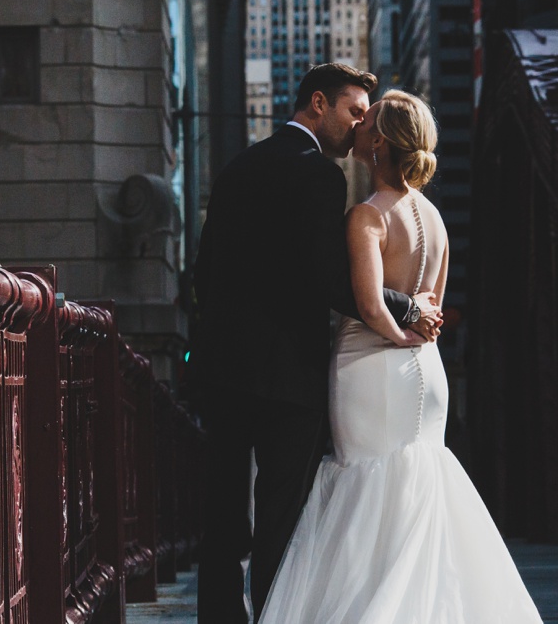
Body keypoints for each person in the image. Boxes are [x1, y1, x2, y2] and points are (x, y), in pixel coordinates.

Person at [258, 90, 542, 623]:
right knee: (415, 495)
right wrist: (416, 340)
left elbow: (369, 305)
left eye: (367, 123)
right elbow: (430, 306)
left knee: (365, 490)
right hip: (427, 374)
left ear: (379, 142)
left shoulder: (366, 217)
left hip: (372, 370)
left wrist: (395, 336)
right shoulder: (435, 218)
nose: (358, 126)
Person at [191, 64, 441, 623]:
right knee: (281, 519)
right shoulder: (320, 176)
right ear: (319, 103)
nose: (360, 128)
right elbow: (332, 281)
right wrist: (408, 307)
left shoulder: (238, 167)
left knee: (223, 517)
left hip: (223, 371)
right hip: (288, 379)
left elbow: (204, 273)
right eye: (355, 112)